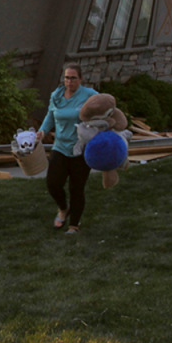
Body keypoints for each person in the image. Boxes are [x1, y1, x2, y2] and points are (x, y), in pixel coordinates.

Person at [37, 63, 98, 235]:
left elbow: (105, 108)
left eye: (73, 78)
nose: (69, 81)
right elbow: (50, 116)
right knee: (53, 183)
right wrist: (42, 131)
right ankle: (63, 208)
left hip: (81, 149)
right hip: (60, 147)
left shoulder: (89, 95)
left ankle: (74, 225)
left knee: (76, 188)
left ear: (80, 79)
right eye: (66, 77)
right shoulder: (56, 96)